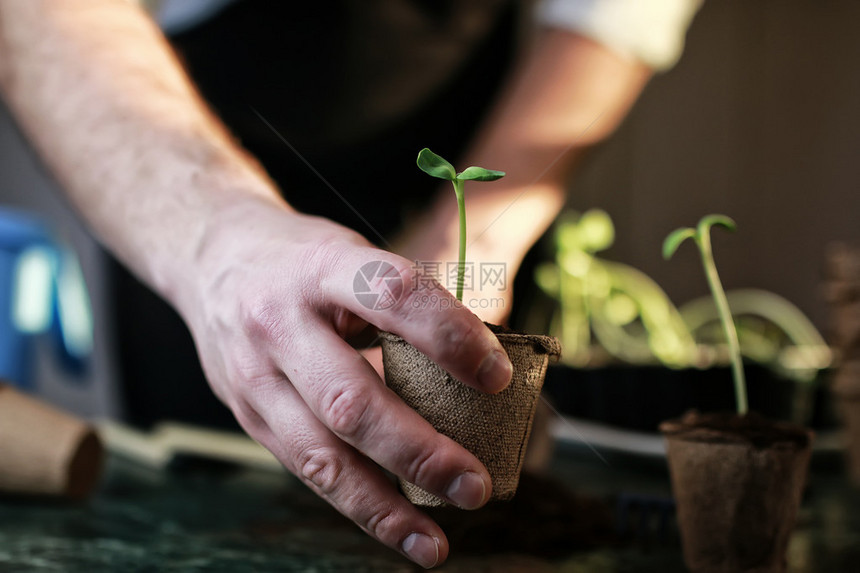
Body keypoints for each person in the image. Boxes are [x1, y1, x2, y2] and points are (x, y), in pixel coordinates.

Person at [0, 0, 700, 567]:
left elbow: (612, 16)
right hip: (189, 177)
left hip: (482, 150)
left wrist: (475, 238)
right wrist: (217, 240)